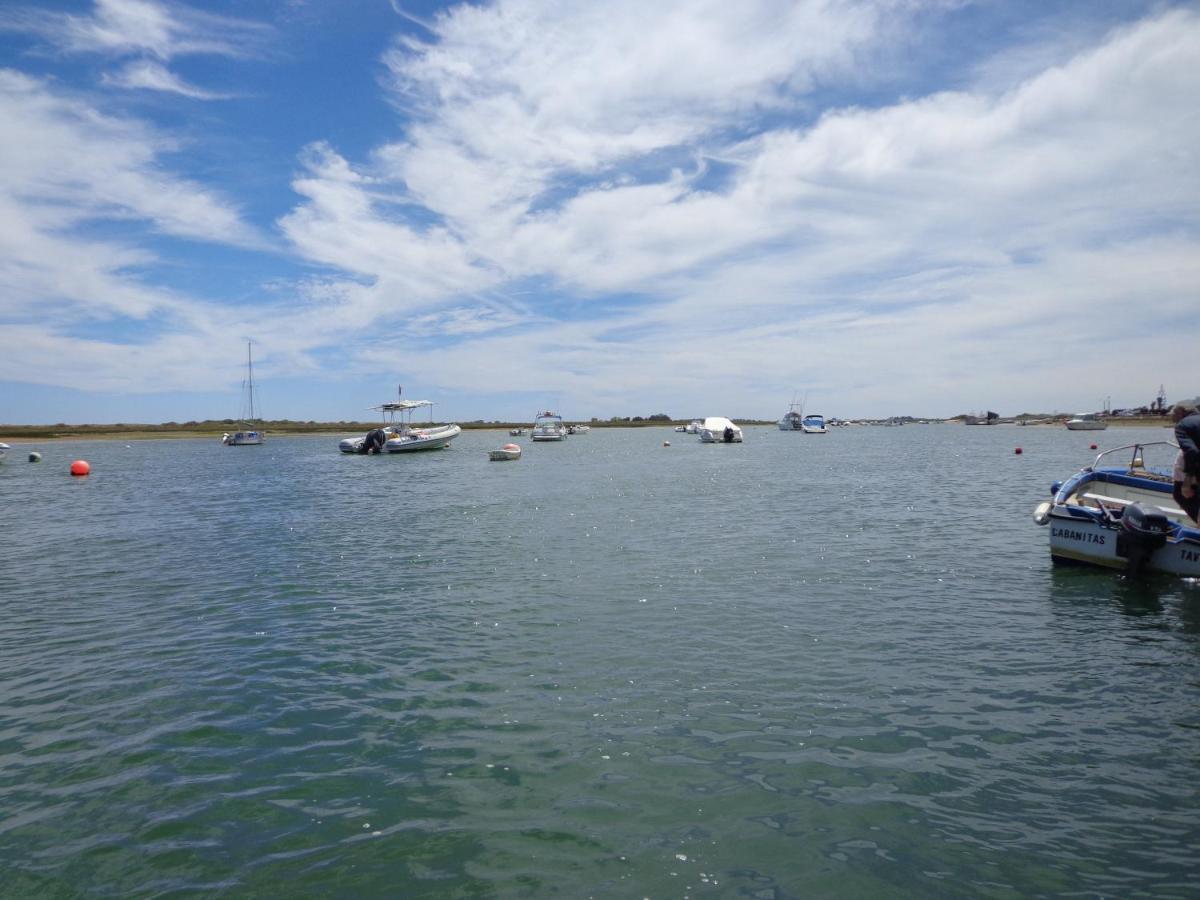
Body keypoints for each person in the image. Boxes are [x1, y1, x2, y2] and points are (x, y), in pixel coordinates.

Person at [1171, 404, 1200, 523]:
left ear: (1180, 413)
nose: (1172, 420)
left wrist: (1188, 479)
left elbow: (1192, 451)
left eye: (1173, 416)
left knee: (1180, 493)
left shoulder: (1182, 425)